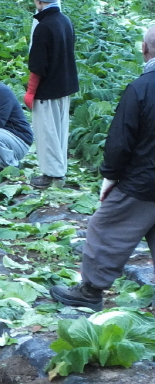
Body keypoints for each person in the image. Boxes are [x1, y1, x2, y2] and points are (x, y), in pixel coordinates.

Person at [50, 26, 155, 312]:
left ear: (144, 49)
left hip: (144, 182)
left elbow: (121, 141)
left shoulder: (142, 88)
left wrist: (110, 177)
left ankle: (90, 290)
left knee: (104, 228)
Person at [24, 0, 79, 188]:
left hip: (47, 89)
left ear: (39, 0)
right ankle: (60, 169)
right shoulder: (65, 20)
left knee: (47, 133)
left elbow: (38, 66)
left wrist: (30, 92)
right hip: (65, 86)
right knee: (60, 130)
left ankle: (52, 175)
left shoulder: (43, 26)